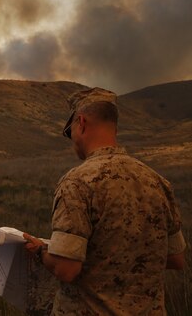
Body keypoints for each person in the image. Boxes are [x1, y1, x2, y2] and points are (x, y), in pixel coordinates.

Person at [23, 87, 186, 314]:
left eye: (69, 132)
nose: (72, 140)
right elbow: (176, 258)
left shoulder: (77, 183)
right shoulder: (158, 182)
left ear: (81, 123)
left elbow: (66, 269)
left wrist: (41, 251)